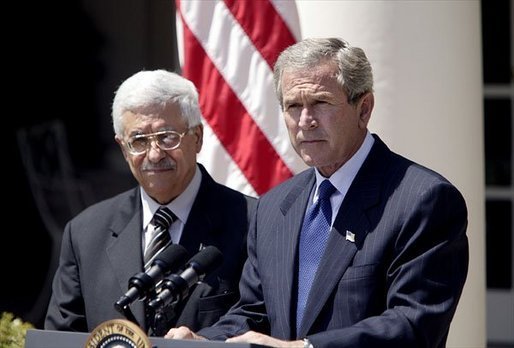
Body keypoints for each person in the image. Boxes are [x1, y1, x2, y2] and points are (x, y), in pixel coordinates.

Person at [165, 38, 469, 347]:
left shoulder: (423, 200)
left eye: (320, 103)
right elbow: (254, 312)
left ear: (363, 109)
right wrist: (202, 341)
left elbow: (413, 324)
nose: (305, 122)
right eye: (293, 107)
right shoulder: (274, 206)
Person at [44, 70, 256, 335]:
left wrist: (204, 341)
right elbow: (60, 336)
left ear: (198, 137)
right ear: (123, 148)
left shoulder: (251, 222)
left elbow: (258, 316)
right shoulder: (85, 233)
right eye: (139, 141)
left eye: (167, 137)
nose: (154, 155)